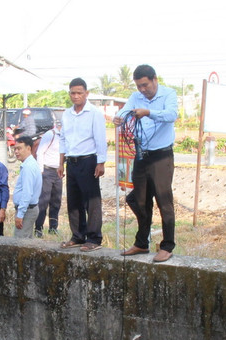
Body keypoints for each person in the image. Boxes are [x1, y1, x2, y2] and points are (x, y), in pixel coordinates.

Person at [114, 64, 178, 263]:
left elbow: (171, 115)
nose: (142, 89)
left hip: (161, 156)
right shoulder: (135, 97)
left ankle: (167, 246)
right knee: (139, 200)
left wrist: (148, 112)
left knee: (163, 200)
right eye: (139, 86)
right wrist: (120, 118)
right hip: (141, 154)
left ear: (154, 79)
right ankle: (142, 243)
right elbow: (125, 112)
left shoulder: (168, 94)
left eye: (145, 85)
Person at [58, 77, 107, 252]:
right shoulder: (67, 114)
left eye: (79, 92)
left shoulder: (94, 113)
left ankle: (94, 238)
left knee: (91, 201)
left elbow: (100, 138)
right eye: (73, 93)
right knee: (74, 200)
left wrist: (101, 162)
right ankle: (78, 236)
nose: (76, 96)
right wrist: (61, 163)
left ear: (86, 93)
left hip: (88, 161)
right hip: (71, 162)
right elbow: (63, 139)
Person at [34, 120, 62, 237]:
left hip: (58, 172)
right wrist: (41, 171)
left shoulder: (64, 136)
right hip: (47, 170)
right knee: (43, 201)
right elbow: (40, 152)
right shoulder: (50, 134)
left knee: (56, 201)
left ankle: (53, 228)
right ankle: (38, 228)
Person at [11, 135, 42, 238]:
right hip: (28, 209)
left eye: (19, 148)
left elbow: (27, 193)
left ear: (28, 148)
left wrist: (20, 214)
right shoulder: (28, 164)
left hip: (27, 210)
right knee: (26, 243)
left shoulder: (28, 167)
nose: (16, 152)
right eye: (15, 149)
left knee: (19, 243)